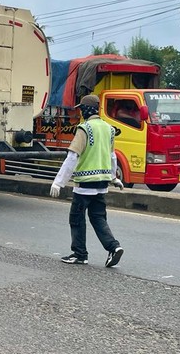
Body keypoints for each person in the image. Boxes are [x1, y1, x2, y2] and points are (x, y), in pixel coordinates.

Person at [49, 94, 124, 267]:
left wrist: (58, 182)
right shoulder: (108, 129)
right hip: (102, 184)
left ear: (85, 110)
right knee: (98, 218)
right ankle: (114, 247)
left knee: (76, 218)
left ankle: (79, 254)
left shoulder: (85, 129)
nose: (81, 112)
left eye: (81, 109)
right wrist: (114, 178)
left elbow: (72, 157)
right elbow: (112, 156)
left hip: (85, 184)